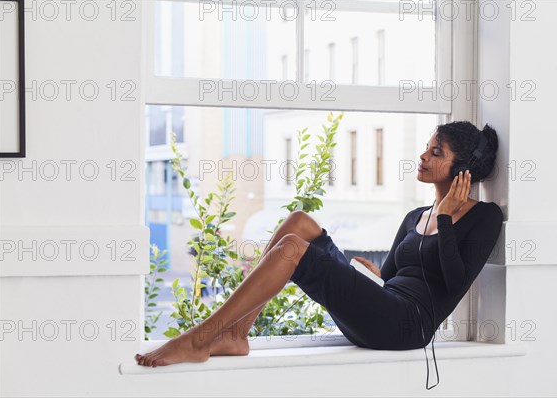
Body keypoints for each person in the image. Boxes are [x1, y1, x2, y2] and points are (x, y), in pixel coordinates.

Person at [135, 120, 503, 367]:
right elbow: (390, 279)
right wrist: (371, 275)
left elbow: (456, 285)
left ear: (462, 170)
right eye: (427, 148)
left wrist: (446, 218)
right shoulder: (414, 216)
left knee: (294, 248)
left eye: (436, 152)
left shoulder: (483, 216)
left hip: (408, 327)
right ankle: (236, 333)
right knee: (299, 223)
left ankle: (200, 339)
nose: (423, 155)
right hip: (384, 308)